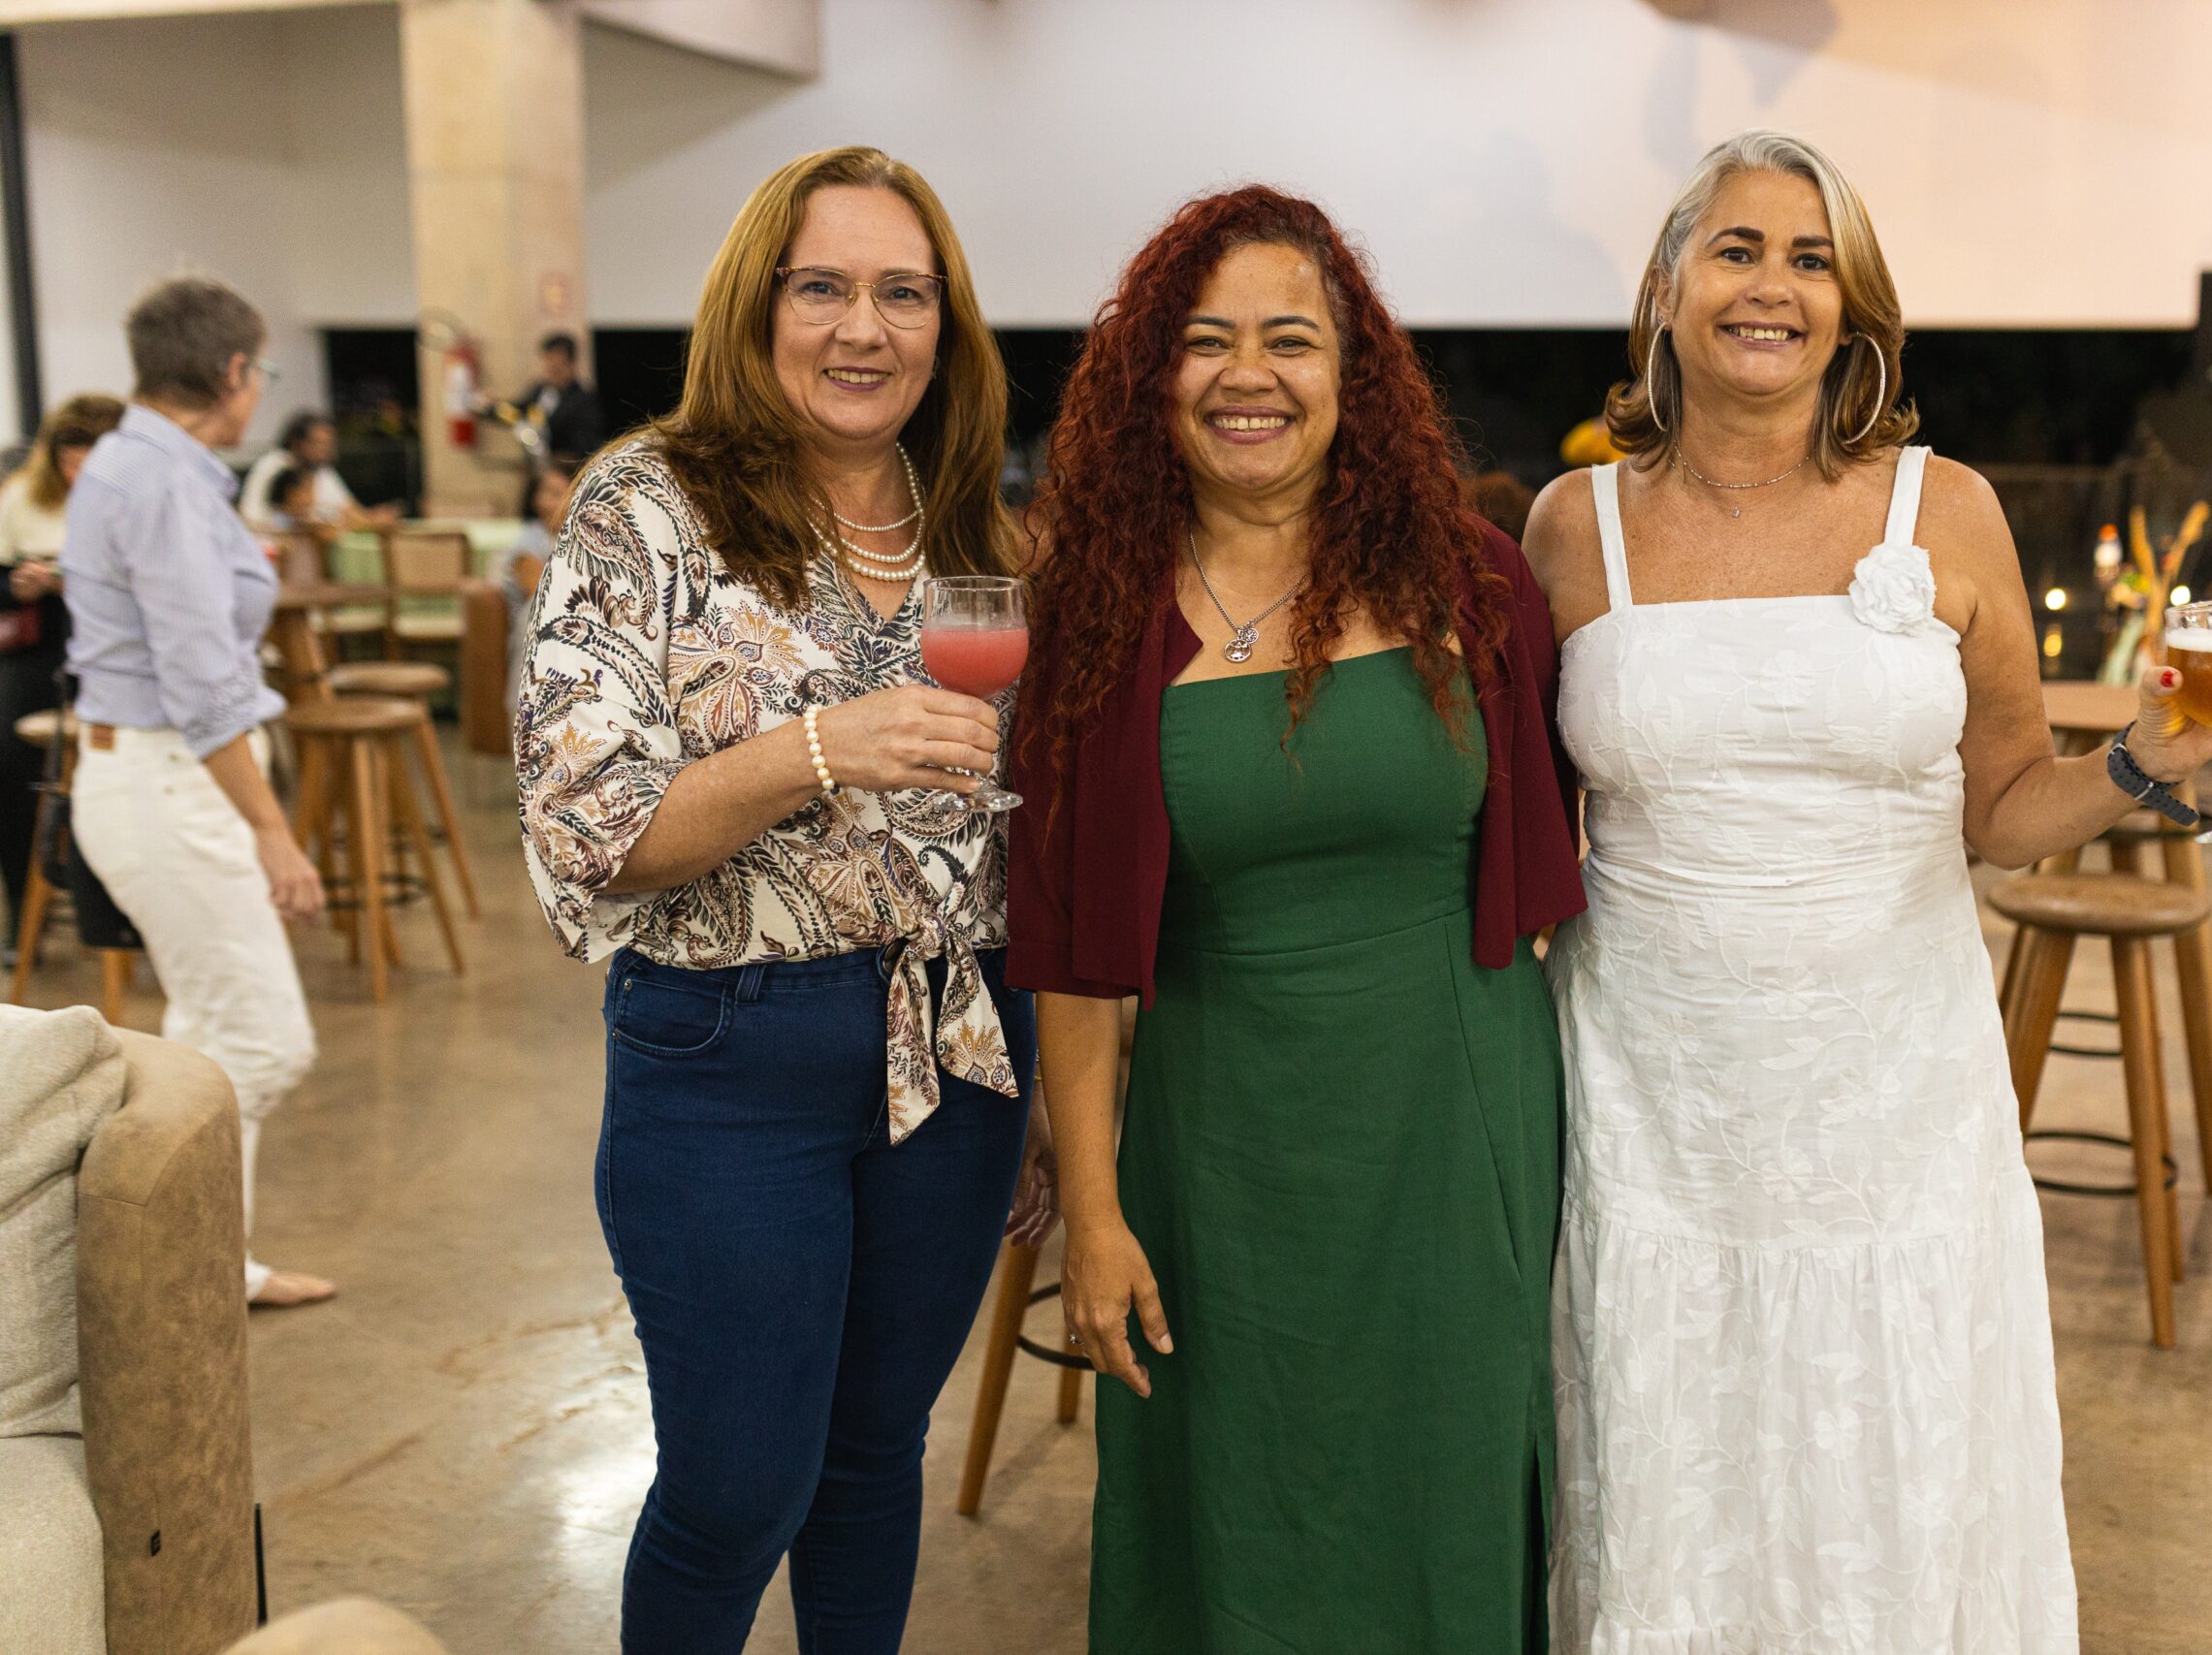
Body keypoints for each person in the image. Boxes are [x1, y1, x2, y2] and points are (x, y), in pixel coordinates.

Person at [1526, 131, 2212, 1652]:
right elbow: (1523, 830)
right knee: (1671, 1455)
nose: (1773, 286)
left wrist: (2148, 759)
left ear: (1855, 310)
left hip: (1892, 1103)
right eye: (1738, 249)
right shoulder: (1574, 525)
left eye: (1811, 259)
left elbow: (2005, 809)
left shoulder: (1944, 510)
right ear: (1666, 289)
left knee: (1889, 1458)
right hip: (1654, 1096)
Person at [1012, 185, 1587, 1654]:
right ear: (1154, 378)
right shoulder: (1097, 617)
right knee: (1237, 1494)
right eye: (1206, 340)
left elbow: (1577, 822)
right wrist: (1094, 1215)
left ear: (1354, 374)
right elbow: (1070, 955)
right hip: (1219, 1145)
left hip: (1456, 1130)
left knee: (1449, 1480)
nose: (1248, 374)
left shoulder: (1474, 583)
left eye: (1290, 338)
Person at [513, 147, 1051, 1655]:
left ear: (946, 324)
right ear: (757, 306)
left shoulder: (973, 524)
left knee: (875, 1455)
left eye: (903, 293)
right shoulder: (648, 504)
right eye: (822, 287)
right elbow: (588, 831)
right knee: (739, 1484)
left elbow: (1014, 827)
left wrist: (1047, 1075)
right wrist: (818, 747)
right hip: (729, 1053)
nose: (862, 328)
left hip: (958, 1045)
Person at [59, 277, 334, 1307]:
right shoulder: (162, 482)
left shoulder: (146, 465)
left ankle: (195, 1270)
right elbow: (202, 682)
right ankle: (178, 1280)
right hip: (171, 778)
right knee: (258, 1042)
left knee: (207, 1035)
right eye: (261, 370)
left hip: (159, 774)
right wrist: (274, 834)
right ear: (233, 372)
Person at [0, 393, 124, 955]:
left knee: (120, 769)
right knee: (11, 764)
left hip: (118, 652)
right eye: (68, 462)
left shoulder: (137, 500)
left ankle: (121, 907)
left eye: (88, 461)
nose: (76, 474)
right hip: (41, 645)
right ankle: (24, 910)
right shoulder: (22, 496)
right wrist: (18, 585)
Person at [493, 453, 576, 717]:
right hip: (536, 644)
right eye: (547, 492)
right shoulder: (530, 542)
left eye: (558, 494)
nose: (547, 502)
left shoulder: (583, 541)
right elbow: (541, 598)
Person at [239, 409, 397, 533]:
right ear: (298, 443)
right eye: (318, 443)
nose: (324, 451)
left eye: (328, 444)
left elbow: (349, 509)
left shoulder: (322, 470)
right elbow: (251, 518)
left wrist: (372, 518)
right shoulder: (274, 464)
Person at [502, 331, 606, 456]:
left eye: (557, 364)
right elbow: (516, 412)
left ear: (570, 364)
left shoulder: (583, 399)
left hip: (567, 462)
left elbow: (588, 442)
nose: (551, 368)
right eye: (548, 361)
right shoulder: (539, 391)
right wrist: (493, 405)